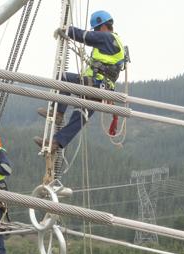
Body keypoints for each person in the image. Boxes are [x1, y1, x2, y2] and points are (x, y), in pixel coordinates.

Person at [34, 10, 125, 152]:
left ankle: (58, 113)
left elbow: (85, 36)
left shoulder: (107, 37)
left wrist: (67, 30)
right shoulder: (113, 42)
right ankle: (55, 143)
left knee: (62, 78)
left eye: (96, 29)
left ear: (102, 27)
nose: (96, 32)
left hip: (96, 84)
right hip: (102, 90)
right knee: (80, 116)